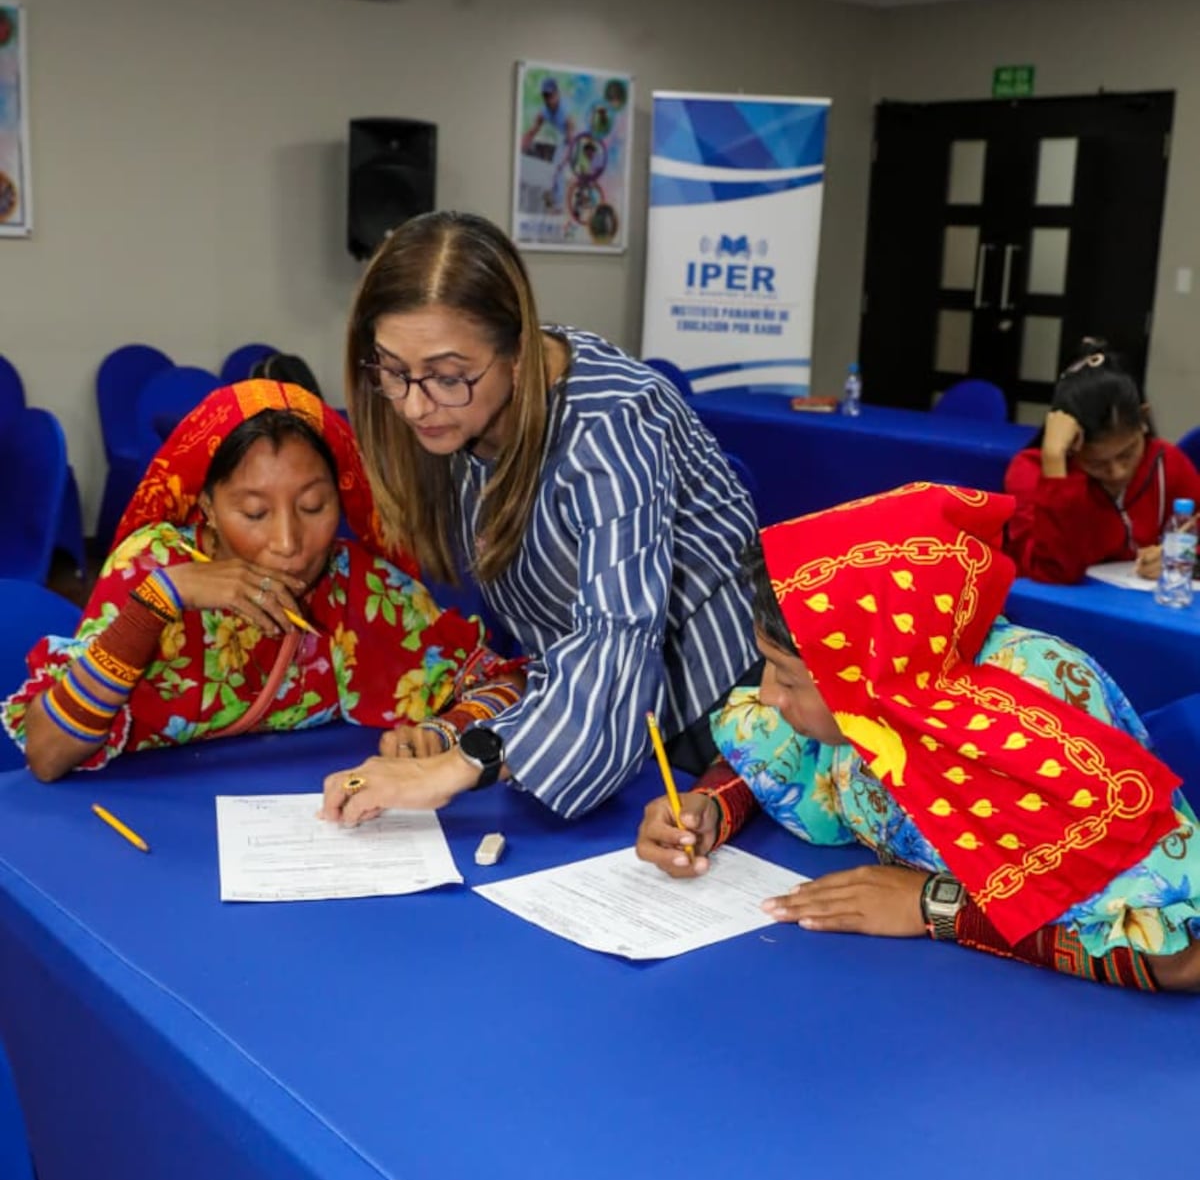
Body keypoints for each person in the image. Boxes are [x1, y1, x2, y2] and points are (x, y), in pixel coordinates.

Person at [636, 483, 1200, 993]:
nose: (767, 697)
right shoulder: (881, 693)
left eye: (786, 677)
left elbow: (1185, 958)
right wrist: (711, 803)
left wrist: (935, 905)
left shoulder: (1030, 716)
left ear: (868, 668)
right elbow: (774, 750)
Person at [321, 210, 758, 827]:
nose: (416, 405)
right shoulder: (460, 411)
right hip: (590, 713)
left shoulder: (612, 423)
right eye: (393, 371)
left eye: (448, 376)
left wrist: (455, 769)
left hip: (721, 721)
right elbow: (559, 646)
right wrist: (461, 734)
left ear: (519, 355)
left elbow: (615, 640)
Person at [4, 381, 521, 780]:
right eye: (254, 512)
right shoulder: (155, 567)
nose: (289, 542)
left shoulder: (357, 588)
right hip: (153, 838)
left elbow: (509, 684)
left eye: (314, 507)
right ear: (206, 505)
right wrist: (162, 600)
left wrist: (444, 729)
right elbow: (48, 755)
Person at [1004, 341, 1200, 583]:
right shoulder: (1031, 471)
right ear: (1071, 443)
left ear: (1143, 421)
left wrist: (1183, 556)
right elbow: (1054, 570)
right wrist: (1056, 464)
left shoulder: (1165, 461)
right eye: (1096, 463)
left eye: (1127, 454)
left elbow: (1194, 530)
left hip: (1142, 610)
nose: (1117, 472)